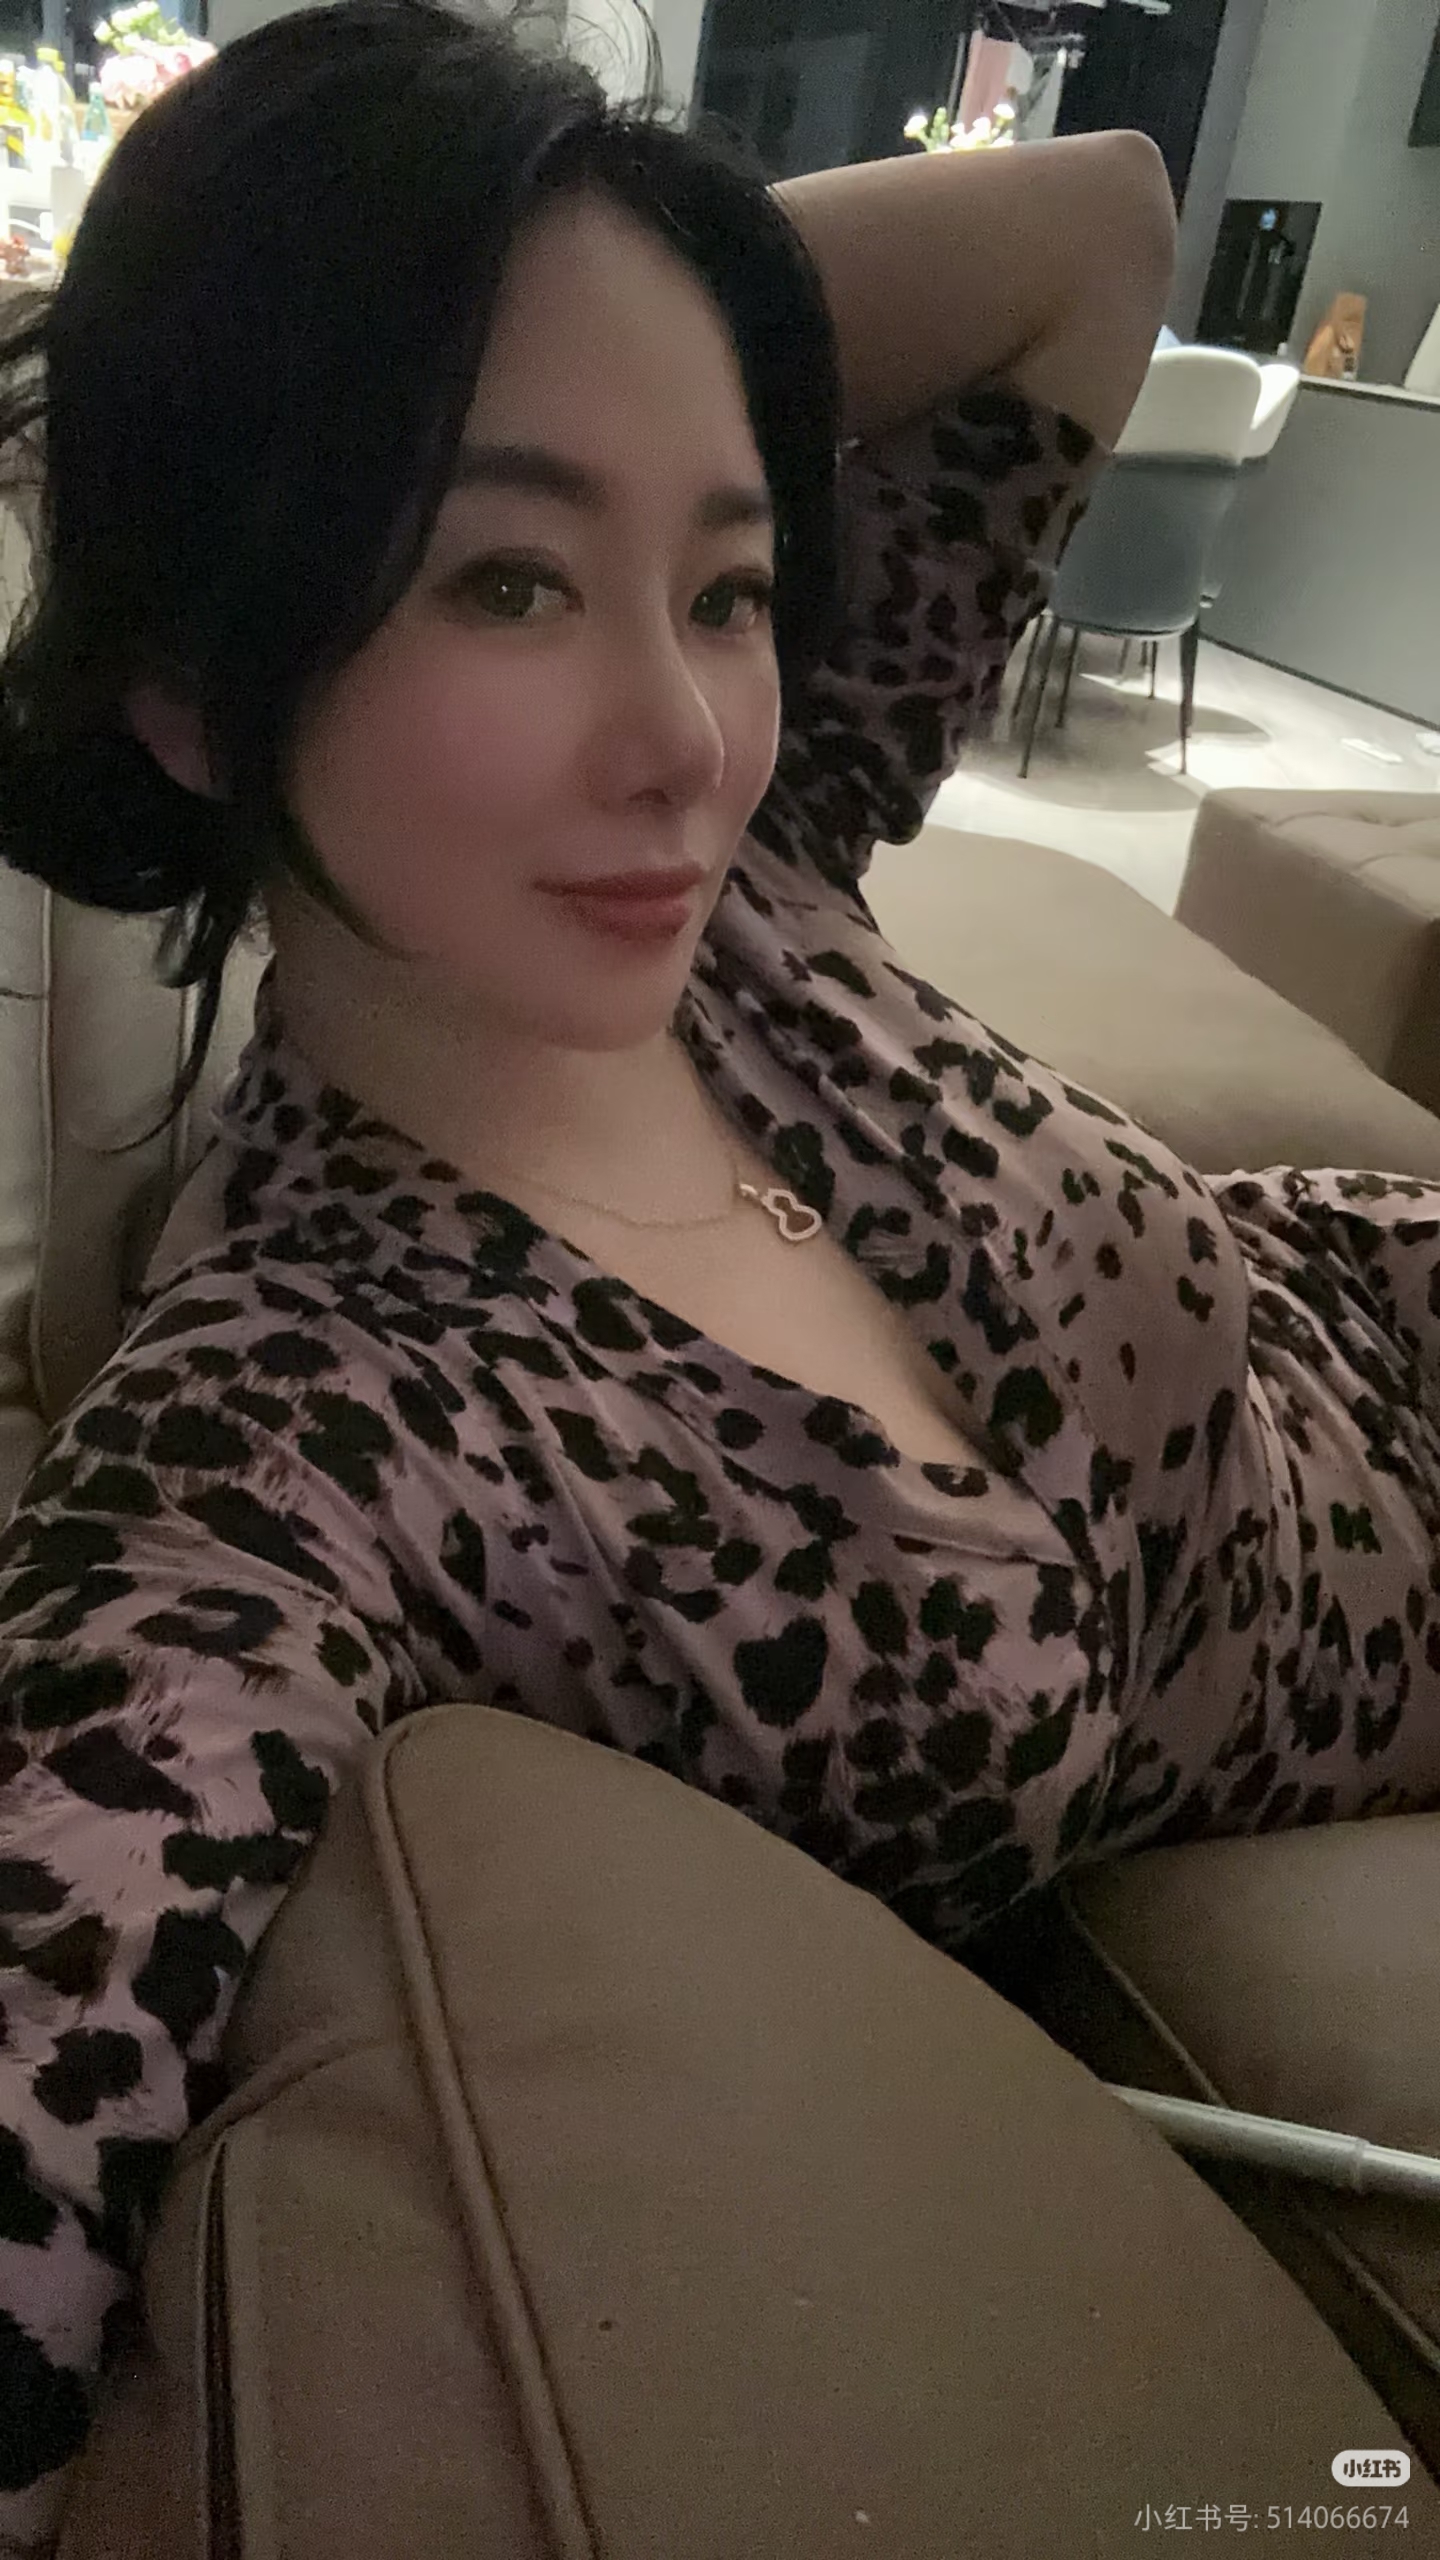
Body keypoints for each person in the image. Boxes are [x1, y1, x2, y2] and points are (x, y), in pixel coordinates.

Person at [0, 0, 1435, 2541]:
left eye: (732, 582)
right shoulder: (298, 1431)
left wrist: (588, 260)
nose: (685, 734)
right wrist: (302, 367)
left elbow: (1094, 222)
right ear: (200, 679)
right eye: (511, 574)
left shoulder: (764, 868)